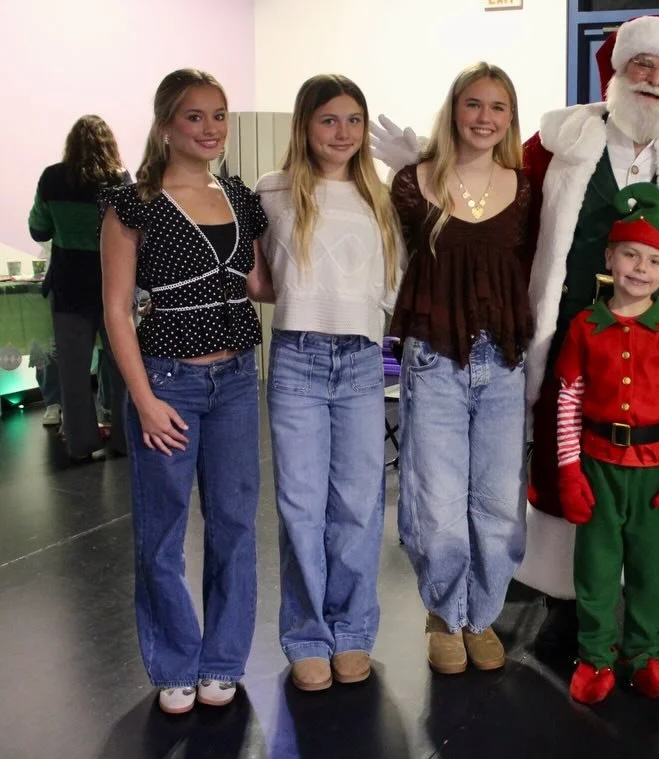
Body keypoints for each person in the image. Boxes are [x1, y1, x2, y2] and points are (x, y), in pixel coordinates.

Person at [100, 69, 272, 714]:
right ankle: (175, 661)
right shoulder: (134, 203)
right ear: (166, 124)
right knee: (163, 530)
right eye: (194, 116)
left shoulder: (239, 197)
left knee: (234, 524)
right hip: (167, 381)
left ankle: (222, 659)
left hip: (236, 380)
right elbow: (117, 310)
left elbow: (262, 285)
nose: (210, 128)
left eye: (219, 115)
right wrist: (144, 399)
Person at [256, 74, 404, 691]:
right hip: (297, 357)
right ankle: (307, 635)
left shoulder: (382, 197)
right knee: (300, 505)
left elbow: (395, 281)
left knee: (359, 504)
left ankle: (352, 631)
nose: (342, 133)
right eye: (329, 120)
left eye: (353, 120)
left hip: (363, 360)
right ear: (305, 125)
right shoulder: (272, 191)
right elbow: (257, 275)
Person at [388, 62, 531, 675]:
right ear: (454, 110)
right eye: (474, 104)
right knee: (437, 502)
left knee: (499, 505)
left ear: (509, 118)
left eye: (497, 107)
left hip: (503, 363)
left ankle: (483, 614)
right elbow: (392, 261)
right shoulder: (412, 183)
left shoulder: (524, 189)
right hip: (434, 359)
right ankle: (446, 614)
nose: (484, 118)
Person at [555, 184, 659, 703]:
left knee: (648, 570)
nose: (641, 268)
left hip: (656, 471)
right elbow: (569, 400)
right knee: (594, 569)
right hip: (597, 466)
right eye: (630, 255)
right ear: (609, 258)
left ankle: (643, 654)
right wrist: (569, 471)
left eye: (654, 260)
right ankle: (595, 657)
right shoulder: (584, 326)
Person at [28, 115, 130, 460]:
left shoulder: (52, 178)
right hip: (113, 285)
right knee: (122, 366)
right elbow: (134, 229)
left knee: (72, 370)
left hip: (68, 286)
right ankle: (124, 440)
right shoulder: (119, 180)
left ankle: (81, 443)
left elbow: (38, 229)